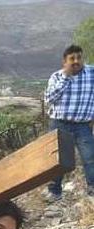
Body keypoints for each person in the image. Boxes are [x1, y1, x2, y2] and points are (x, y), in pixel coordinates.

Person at [44, 44, 94, 200]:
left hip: (82, 124)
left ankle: (92, 189)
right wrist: (66, 77)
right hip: (59, 123)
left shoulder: (91, 73)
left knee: (90, 157)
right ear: (64, 62)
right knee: (57, 158)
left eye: (79, 57)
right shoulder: (57, 77)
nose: (76, 61)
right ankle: (54, 191)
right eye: (72, 58)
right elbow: (49, 99)